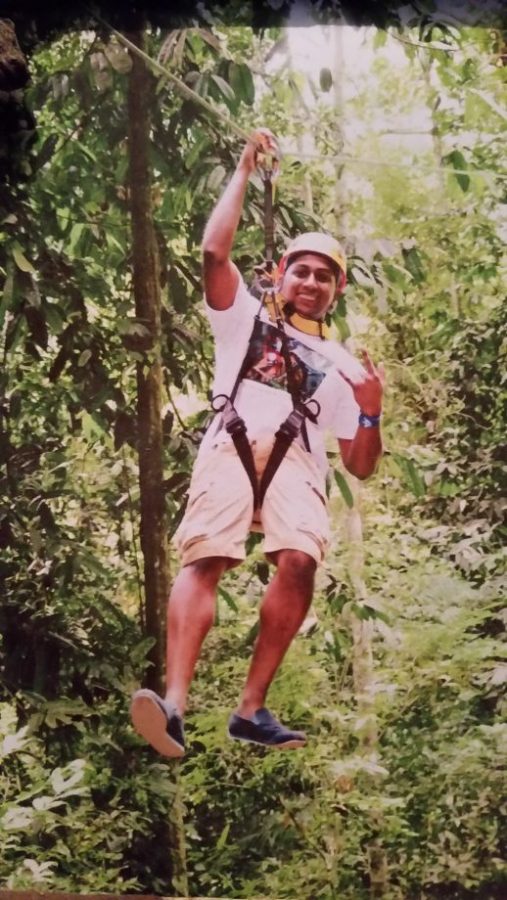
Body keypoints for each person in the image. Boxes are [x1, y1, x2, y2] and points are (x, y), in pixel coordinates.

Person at [130, 129, 385, 757]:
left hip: (298, 456)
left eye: (324, 276)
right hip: (234, 438)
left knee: (300, 559)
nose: (312, 282)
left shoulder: (344, 364)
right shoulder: (245, 316)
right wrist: (245, 168)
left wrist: (371, 412)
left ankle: (251, 709)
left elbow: (359, 466)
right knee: (206, 557)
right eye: (302, 270)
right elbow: (213, 254)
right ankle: (174, 704)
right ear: (281, 275)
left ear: (337, 291)